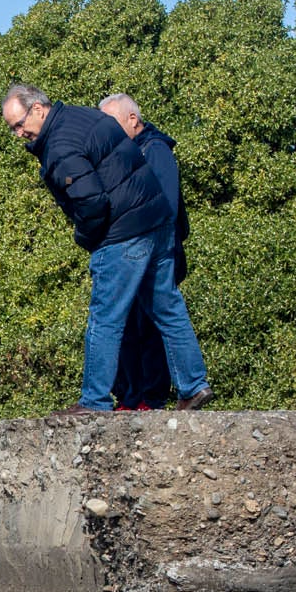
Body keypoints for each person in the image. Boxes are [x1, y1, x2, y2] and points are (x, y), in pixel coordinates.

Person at [0, 83, 212, 413]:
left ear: (38, 110)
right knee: (167, 307)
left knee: (106, 317)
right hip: (156, 223)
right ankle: (193, 385)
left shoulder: (59, 145)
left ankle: (94, 401)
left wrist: (86, 237)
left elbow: (90, 202)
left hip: (123, 233)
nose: (18, 133)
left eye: (19, 124)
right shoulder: (82, 116)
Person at [98, 92, 188, 409]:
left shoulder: (156, 151)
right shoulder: (121, 157)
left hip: (154, 251)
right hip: (127, 253)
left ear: (133, 120)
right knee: (124, 326)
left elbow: (167, 206)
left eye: (112, 124)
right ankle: (129, 395)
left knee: (151, 325)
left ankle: (152, 396)